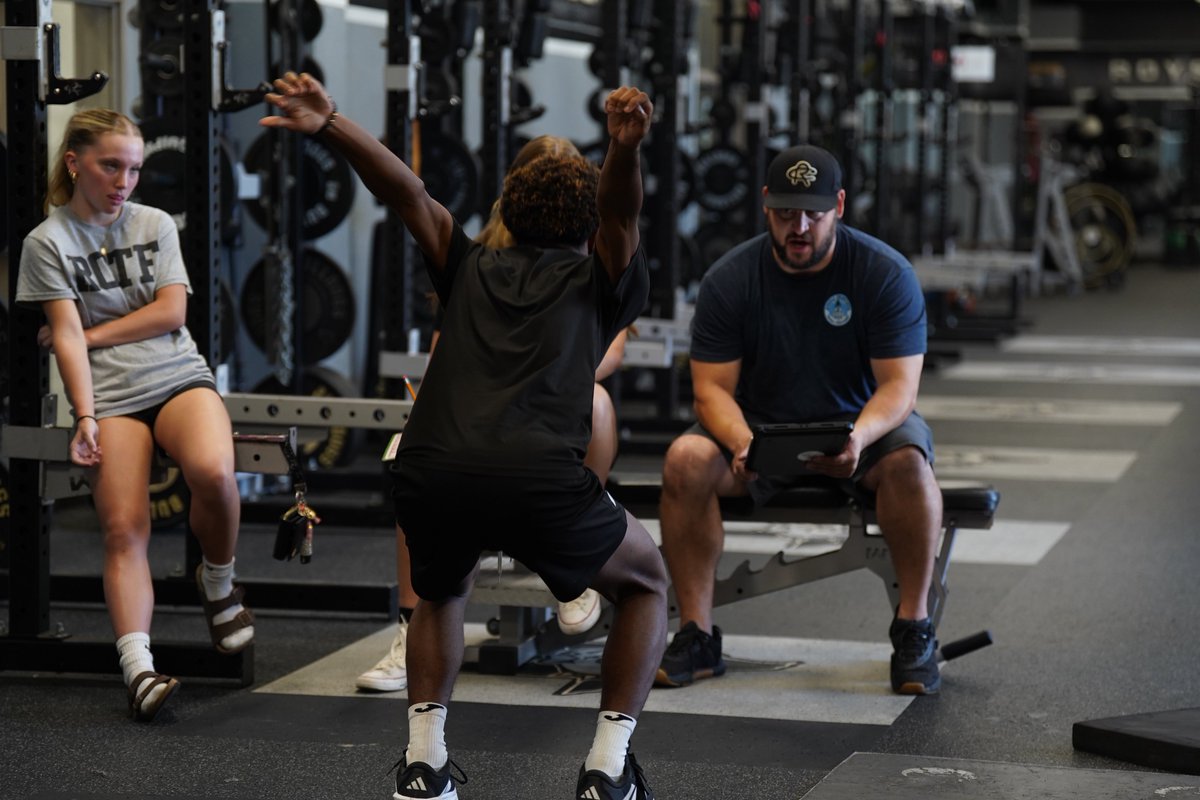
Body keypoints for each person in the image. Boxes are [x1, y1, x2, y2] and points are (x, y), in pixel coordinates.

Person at [263, 73, 666, 800]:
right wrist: (624, 149)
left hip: (431, 472)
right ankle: (607, 769)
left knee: (441, 592)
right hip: (539, 479)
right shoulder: (600, 275)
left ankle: (425, 764)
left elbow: (406, 192)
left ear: (506, 204)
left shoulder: (467, 260)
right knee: (646, 584)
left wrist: (331, 125)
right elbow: (623, 213)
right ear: (587, 222)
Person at [655, 144, 944, 696]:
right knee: (685, 460)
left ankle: (914, 626)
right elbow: (711, 390)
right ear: (765, 205)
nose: (800, 226)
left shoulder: (883, 273)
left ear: (838, 205)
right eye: (786, 212)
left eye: (813, 212)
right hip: (760, 428)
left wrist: (858, 438)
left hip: (862, 424)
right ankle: (698, 632)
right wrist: (743, 444)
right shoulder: (730, 279)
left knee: (910, 465)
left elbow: (899, 388)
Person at [354, 136, 628, 694]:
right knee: (419, 447)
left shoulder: (593, 262)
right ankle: (411, 627)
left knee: (596, 404)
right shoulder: (478, 254)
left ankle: (573, 569)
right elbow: (447, 345)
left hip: (551, 416)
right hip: (482, 426)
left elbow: (607, 348)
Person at [16, 109, 255, 721]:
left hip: (177, 375)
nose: (125, 181)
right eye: (111, 166)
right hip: (112, 397)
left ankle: (219, 583)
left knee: (214, 473)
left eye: (135, 169)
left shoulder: (153, 223)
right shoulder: (47, 243)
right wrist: (85, 416)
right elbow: (63, 334)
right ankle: (138, 670)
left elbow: (171, 313)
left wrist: (92, 336)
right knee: (124, 528)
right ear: (75, 163)